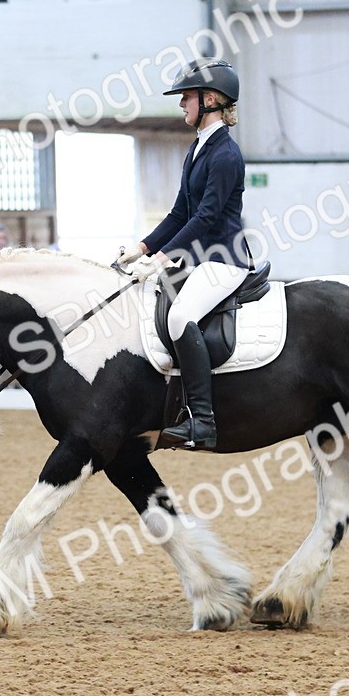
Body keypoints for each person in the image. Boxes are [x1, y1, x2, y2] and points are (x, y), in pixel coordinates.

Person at [118, 58, 249, 450]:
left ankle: (203, 421)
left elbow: (207, 218)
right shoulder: (197, 149)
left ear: (209, 100)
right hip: (201, 259)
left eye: (186, 98)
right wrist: (140, 248)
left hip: (225, 260)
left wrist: (160, 260)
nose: (181, 106)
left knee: (179, 317)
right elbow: (180, 214)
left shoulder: (225, 154)